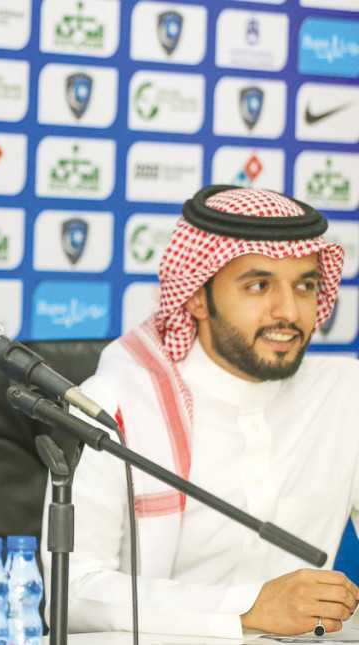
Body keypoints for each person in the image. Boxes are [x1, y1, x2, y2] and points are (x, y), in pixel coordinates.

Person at [48, 185, 359, 638]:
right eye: (259, 286)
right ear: (196, 296)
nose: (289, 311)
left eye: (305, 286)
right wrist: (246, 610)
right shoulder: (116, 407)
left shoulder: (346, 394)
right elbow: (72, 593)